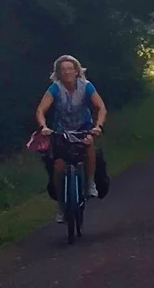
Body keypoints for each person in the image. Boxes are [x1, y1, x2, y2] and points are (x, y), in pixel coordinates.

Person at [35, 55, 108, 199]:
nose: (67, 72)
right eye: (63, 70)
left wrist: (98, 126)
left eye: (70, 69)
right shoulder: (55, 88)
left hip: (83, 127)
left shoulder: (86, 86)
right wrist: (43, 126)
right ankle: (61, 204)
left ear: (76, 71)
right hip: (61, 130)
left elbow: (101, 107)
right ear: (58, 73)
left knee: (89, 145)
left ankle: (90, 183)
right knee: (58, 165)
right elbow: (40, 110)